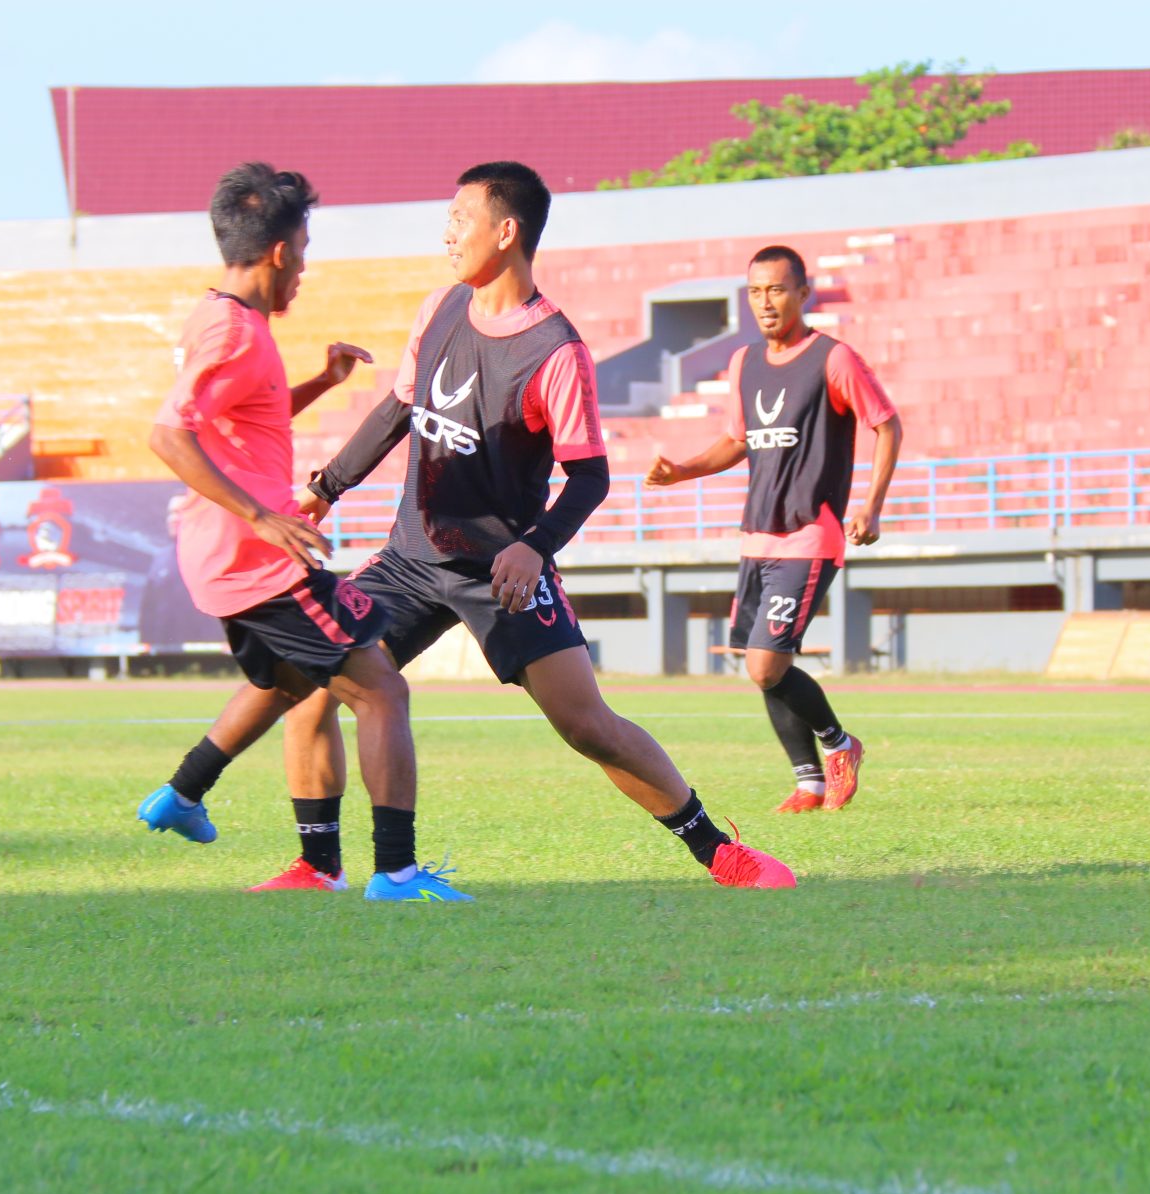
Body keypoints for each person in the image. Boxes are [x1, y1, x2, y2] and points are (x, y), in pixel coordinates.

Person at [281, 162, 795, 890]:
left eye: (462, 215)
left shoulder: (556, 349)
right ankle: (322, 867)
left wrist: (533, 548)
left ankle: (721, 852)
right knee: (314, 676)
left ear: (507, 230)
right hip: (409, 557)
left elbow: (590, 477)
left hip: (502, 573)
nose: (448, 230)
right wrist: (326, 487)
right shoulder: (440, 310)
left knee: (588, 726)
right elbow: (398, 410)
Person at [135, 161, 467, 903]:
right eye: (306, 251)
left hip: (222, 555)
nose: (305, 270)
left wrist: (320, 384)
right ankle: (397, 874)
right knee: (382, 692)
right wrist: (262, 517)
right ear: (282, 251)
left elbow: (238, 424)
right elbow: (167, 434)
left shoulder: (220, 318)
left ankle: (182, 795)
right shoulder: (233, 331)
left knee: (286, 680)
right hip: (255, 555)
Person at [646, 245, 904, 812]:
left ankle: (840, 744)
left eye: (778, 290)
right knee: (762, 666)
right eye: (756, 292)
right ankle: (809, 782)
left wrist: (872, 505)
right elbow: (738, 441)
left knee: (767, 662)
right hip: (757, 534)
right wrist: (684, 469)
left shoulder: (833, 359)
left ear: (803, 293)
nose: (766, 302)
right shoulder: (743, 363)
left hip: (812, 532)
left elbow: (887, 426)